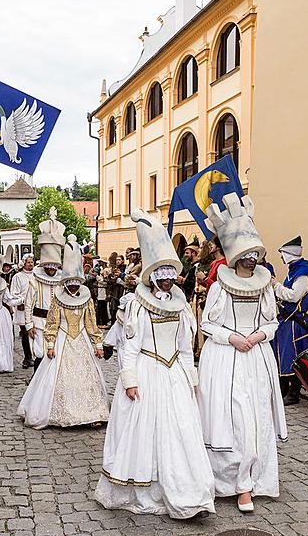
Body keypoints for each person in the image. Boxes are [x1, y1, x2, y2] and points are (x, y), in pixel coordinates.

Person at [95, 209, 215, 519]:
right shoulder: (136, 304)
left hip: (174, 374)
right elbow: (129, 348)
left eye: (169, 274)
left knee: (182, 431)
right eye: (159, 275)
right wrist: (130, 380)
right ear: (151, 276)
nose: (165, 281)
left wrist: (192, 377)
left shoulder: (180, 305)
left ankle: (188, 494)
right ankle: (151, 490)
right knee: (148, 431)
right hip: (147, 374)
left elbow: (185, 347)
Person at [197, 193, 287, 513]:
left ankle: (253, 479)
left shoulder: (264, 285)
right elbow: (207, 323)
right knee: (232, 417)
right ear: (236, 256)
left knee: (256, 416)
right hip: (226, 358)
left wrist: (260, 334)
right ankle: (231, 481)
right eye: (245, 254)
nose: (251, 259)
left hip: (257, 359)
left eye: (254, 254)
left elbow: (272, 321)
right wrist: (234, 337)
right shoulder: (220, 286)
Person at [17, 234, 109, 429]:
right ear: (66, 283)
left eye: (77, 282)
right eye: (71, 283)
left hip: (82, 341)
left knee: (87, 377)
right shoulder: (58, 300)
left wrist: (98, 345)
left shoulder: (87, 299)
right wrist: (50, 344)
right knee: (58, 377)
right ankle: (61, 411)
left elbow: (92, 324)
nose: (74, 286)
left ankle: (92, 413)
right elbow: (52, 324)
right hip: (62, 340)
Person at [271, 236, 308, 405]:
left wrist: (276, 286)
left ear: (290, 254)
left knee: (294, 356)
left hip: (296, 323)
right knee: (283, 354)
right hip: (287, 321)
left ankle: (294, 393)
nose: (281, 257)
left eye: (283, 254)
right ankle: (284, 390)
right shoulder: (294, 270)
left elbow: (293, 296)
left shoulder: (302, 273)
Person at [25, 209, 65, 372]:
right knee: (40, 354)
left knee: (56, 354)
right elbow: (28, 304)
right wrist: (28, 325)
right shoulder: (35, 281)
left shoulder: (61, 283)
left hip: (58, 323)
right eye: (49, 268)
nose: (51, 271)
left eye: (54, 268)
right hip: (39, 322)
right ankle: (36, 383)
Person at [10, 254, 35, 369]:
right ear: (24, 263)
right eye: (28, 262)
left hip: (36, 308)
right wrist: (20, 302)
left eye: (32, 262)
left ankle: (37, 354)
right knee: (25, 332)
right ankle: (27, 356)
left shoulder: (37, 275)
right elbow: (14, 292)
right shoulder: (18, 276)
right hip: (23, 308)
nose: (30, 264)